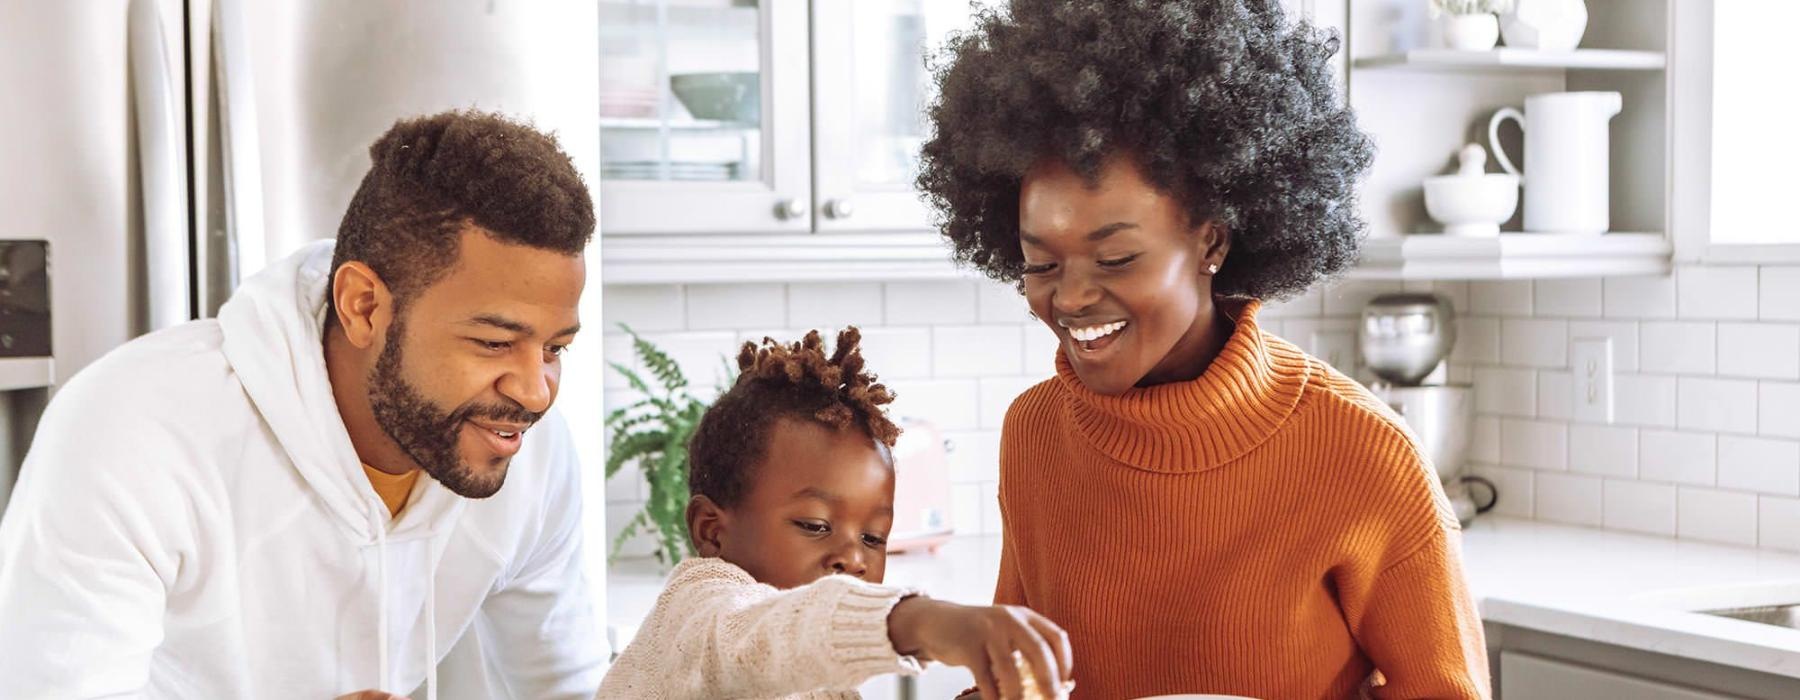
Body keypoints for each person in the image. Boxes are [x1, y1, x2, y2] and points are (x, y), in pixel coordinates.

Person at [915, 1, 1489, 698]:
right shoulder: (1034, 433)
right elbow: (1024, 675)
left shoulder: (1362, 452)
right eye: (1042, 263)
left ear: (1211, 241)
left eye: (1116, 258)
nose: (1071, 297)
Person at [0, 110, 605, 699]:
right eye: (494, 343)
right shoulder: (134, 431)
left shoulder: (523, 451)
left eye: (555, 348)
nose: (535, 392)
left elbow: (571, 686)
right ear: (364, 306)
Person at [599, 329, 1073, 700]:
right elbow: (767, 635)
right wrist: (922, 622)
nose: (854, 558)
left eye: (873, 538)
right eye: (815, 526)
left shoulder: (821, 681)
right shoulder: (699, 612)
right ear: (711, 531)